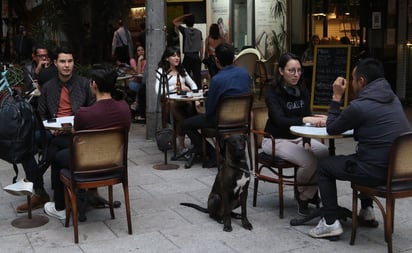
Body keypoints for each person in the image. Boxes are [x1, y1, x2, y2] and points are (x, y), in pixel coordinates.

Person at [309, 58, 412, 238]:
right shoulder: (394, 100)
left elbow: (332, 128)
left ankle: (330, 222)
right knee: (362, 156)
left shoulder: (359, 106)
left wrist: (336, 97)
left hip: (376, 172)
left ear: (362, 81)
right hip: (399, 174)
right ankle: (367, 211)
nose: (352, 83)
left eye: (353, 79)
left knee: (325, 166)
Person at [43, 63, 131, 220]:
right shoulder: (124, 108)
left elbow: (77, 139)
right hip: (115, 163)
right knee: (57, 145)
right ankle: (85, 194)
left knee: (57, 156)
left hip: (87, 165)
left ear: (94, 85)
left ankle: (60, 207)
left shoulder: (84, 114)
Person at [18, 46, 94, 213]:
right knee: (26, 144)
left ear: (74, 63)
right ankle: (62, 194)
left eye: (70, 61)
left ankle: (42, 192)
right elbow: (41, 113)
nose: (66, 65)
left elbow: (92, 111)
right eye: (62, 61)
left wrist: (77, 126)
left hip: (77, 132)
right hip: (52, 130)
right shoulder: (49, 87)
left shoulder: (83, 84)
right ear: (55, 64)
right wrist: (50, 127)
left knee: (54, 149)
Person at [262, 52, 329, 216]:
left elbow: (307, 117)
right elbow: (280, 120)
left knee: (325, 153)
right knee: (309, 161)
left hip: (298, 137)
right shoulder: (272, 93)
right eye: (291, 70)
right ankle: (304, 197)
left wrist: (306, 140)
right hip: (275, 139)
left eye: (299, 70)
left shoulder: (302, 89)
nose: (296, 74)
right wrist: (307, 119)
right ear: (281, 71)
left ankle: (308, 193)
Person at [181, 43, 251, 168]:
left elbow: (210, 110)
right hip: (242, 120)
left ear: (217, 60)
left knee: (186, 124)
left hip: (220, 121)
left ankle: (213, 154)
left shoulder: (217, 79)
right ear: (234, 58)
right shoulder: (245, 74)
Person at [155, 46, 198, 154]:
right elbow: (158, 90)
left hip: (183, 100)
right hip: (170, 102)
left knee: (190, 106)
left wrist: (195, 96)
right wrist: (175, 88)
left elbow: (193, 84)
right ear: (167, 58)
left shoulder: (181, 69)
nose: (177, 58)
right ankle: (183, 144)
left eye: (178, 55)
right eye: (174, 56)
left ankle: (192, 141)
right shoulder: (162, 71)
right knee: (178, 113)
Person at [173, 13, 203, 89]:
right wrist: (201, 56)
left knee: (185, 76)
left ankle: (187, 92)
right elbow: (201, 46)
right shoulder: (199, 32)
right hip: (196, 56)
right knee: (197, 77)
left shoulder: (185, 31)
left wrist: (184, 16)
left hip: (188, 56)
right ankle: (198, 95)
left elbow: (174, 21)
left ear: (186, 23)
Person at [128, 45, 146, 121]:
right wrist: (139, 61)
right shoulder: (133, 60)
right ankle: (136, 104)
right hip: (133, 82)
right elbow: (138, 73)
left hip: (143, 82)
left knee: (143, 87)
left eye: (142, 50)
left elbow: (144, 73)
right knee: (141, 88)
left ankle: (136, 105)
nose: (141, 52)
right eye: (138, 50)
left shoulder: (147, 61)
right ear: (136, 52)